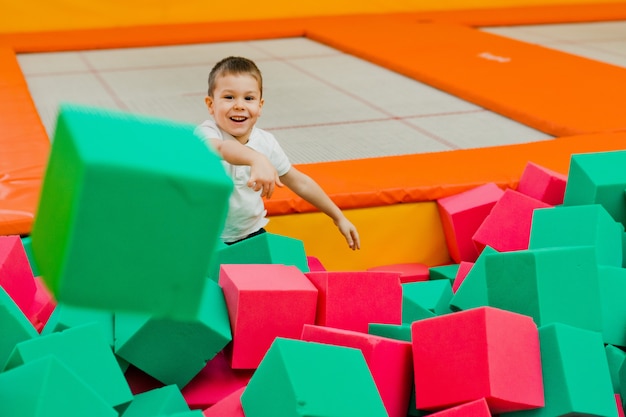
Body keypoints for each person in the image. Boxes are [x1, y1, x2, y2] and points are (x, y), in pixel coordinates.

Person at [195, 56, 360, 250]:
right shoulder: (206, 133)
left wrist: (338, 217)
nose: (239, 105)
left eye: (248, 98)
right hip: (205, 236)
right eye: (229, 97)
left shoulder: (266, 143)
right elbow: (221, 149)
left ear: (260, 106)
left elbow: (300, 182)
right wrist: (256, 158)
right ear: (210, 105)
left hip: (250, 234)